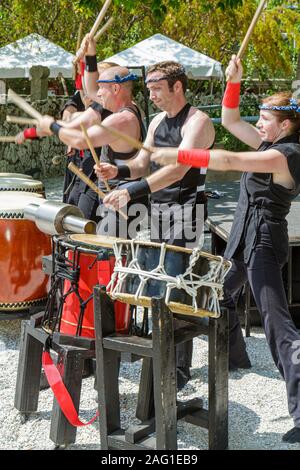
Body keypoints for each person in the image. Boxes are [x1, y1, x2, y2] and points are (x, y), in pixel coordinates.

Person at [150, 55, 300, 443]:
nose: (259, 123)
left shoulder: (285, 154)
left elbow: (230, 159)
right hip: (241, 239)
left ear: (285, 125)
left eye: (266, 118)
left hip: (264, 244)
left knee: (277, 327)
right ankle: (236, 358)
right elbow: (230, 120)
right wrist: (233, 80)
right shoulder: (270, 141)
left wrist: (181, 155)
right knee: (218, 294)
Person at [95, 61, 215, 389]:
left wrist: (131, 190)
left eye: (157, 88)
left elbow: (178, 168)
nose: (151, 95)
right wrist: (117, 172)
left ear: (178, 87)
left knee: (176, 285)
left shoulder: (198, 122)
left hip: (188, 210)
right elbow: (141, 163)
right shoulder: (158, 121)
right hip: (159, 210)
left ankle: (177, 371)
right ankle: (158, 354)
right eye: (148, 88)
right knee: (156, 281)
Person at [37, 63, 146, 234]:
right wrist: (89, 54)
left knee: (109, 255)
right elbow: (89, 91)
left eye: (102, 88)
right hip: (117, 199)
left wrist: (52, 126)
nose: (98, 93)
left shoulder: (121, 120)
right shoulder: (130, 108)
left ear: (116, 88)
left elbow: (80, 140)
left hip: (121, 204)